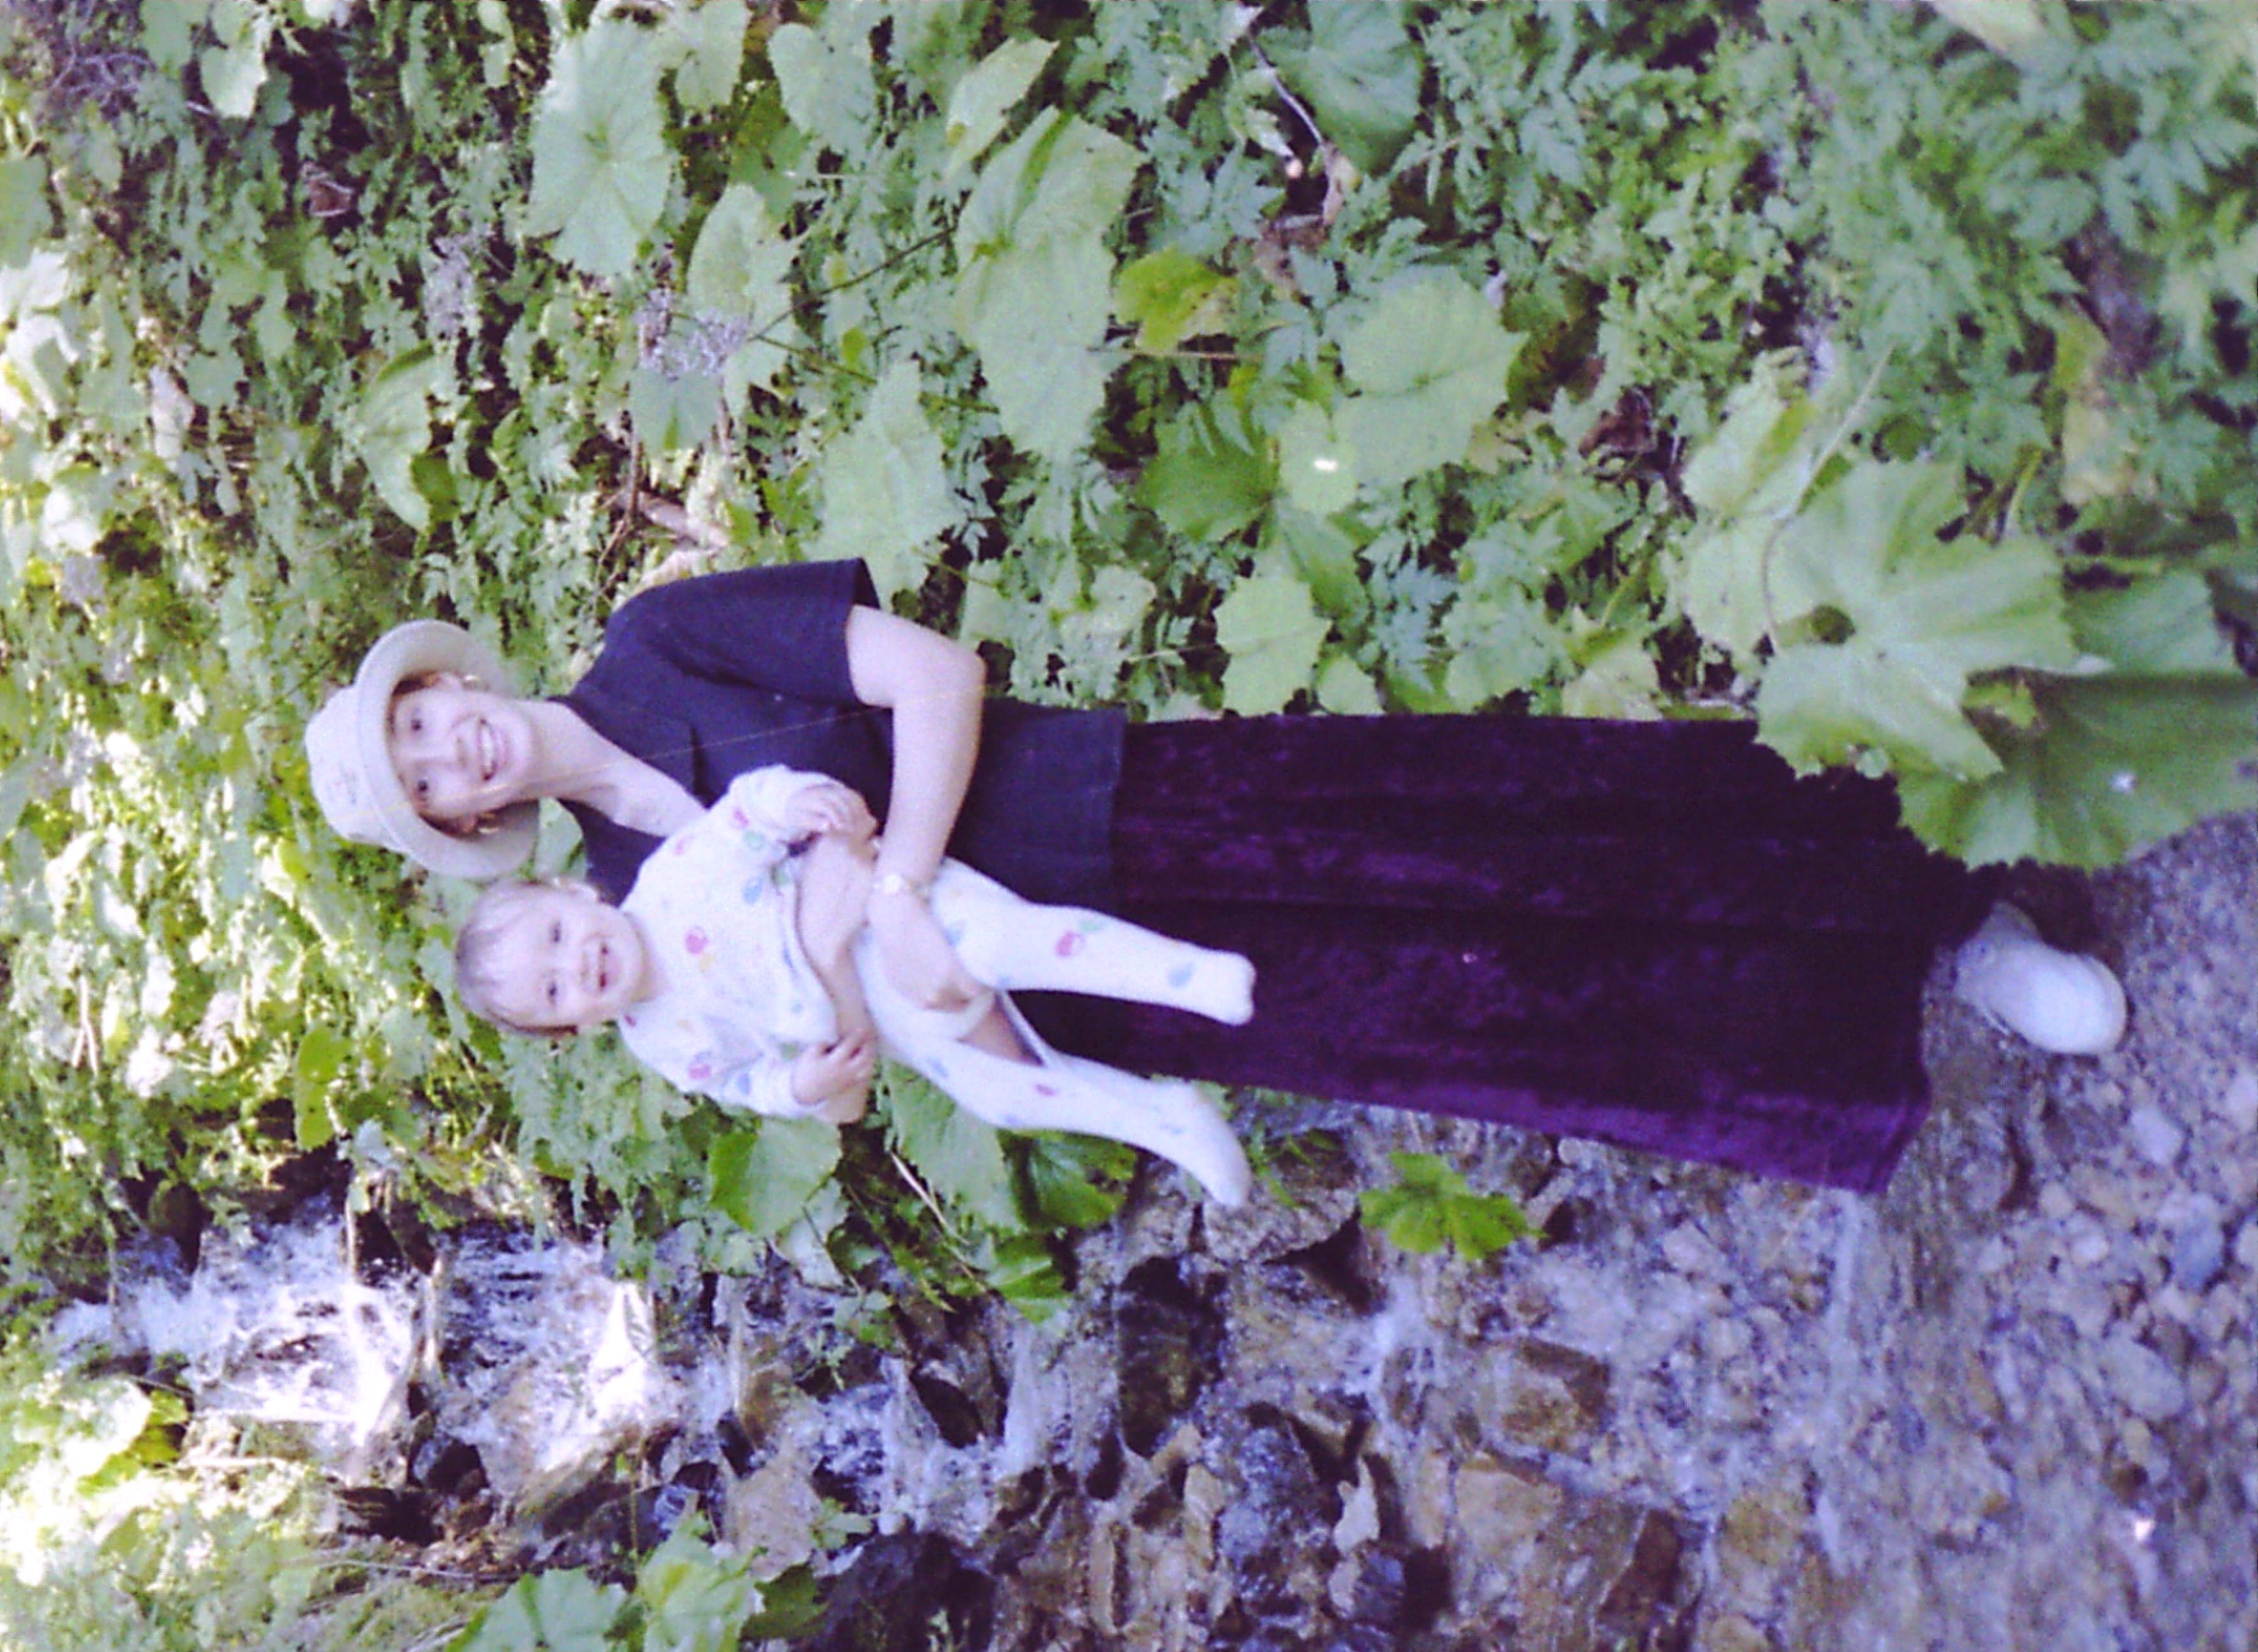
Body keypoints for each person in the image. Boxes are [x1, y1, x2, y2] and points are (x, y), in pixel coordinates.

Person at [306, 560, 2127, 1194]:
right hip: (1080, 989)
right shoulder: (612, 910)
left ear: (456, 682)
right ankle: (1862, 1047)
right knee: (1489, 1026)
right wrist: (855, 1060)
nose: (455, 756)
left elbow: (933, 677)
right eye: (428, 786)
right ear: (465, 837)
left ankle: (1947, 894)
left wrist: (905, 876)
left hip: (1119, 809)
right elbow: (835, 1046)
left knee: (1517, 834)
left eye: (428, 723)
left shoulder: (660, 646)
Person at [451, 766, 1262, 1204]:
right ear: (577, 1029)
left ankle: (1180, 975)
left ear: (574, 894)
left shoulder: (672, 878)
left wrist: (796, 801)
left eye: (557, 937)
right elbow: (745, 1083)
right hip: (887, 1023)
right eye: (554, 993)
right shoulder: (662, 1042)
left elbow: (743, 814)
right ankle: (1167, 1122)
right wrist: (801, 1085)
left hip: (889, 921)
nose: (575, 965)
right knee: (1002, 1097)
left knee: (1005, 944)